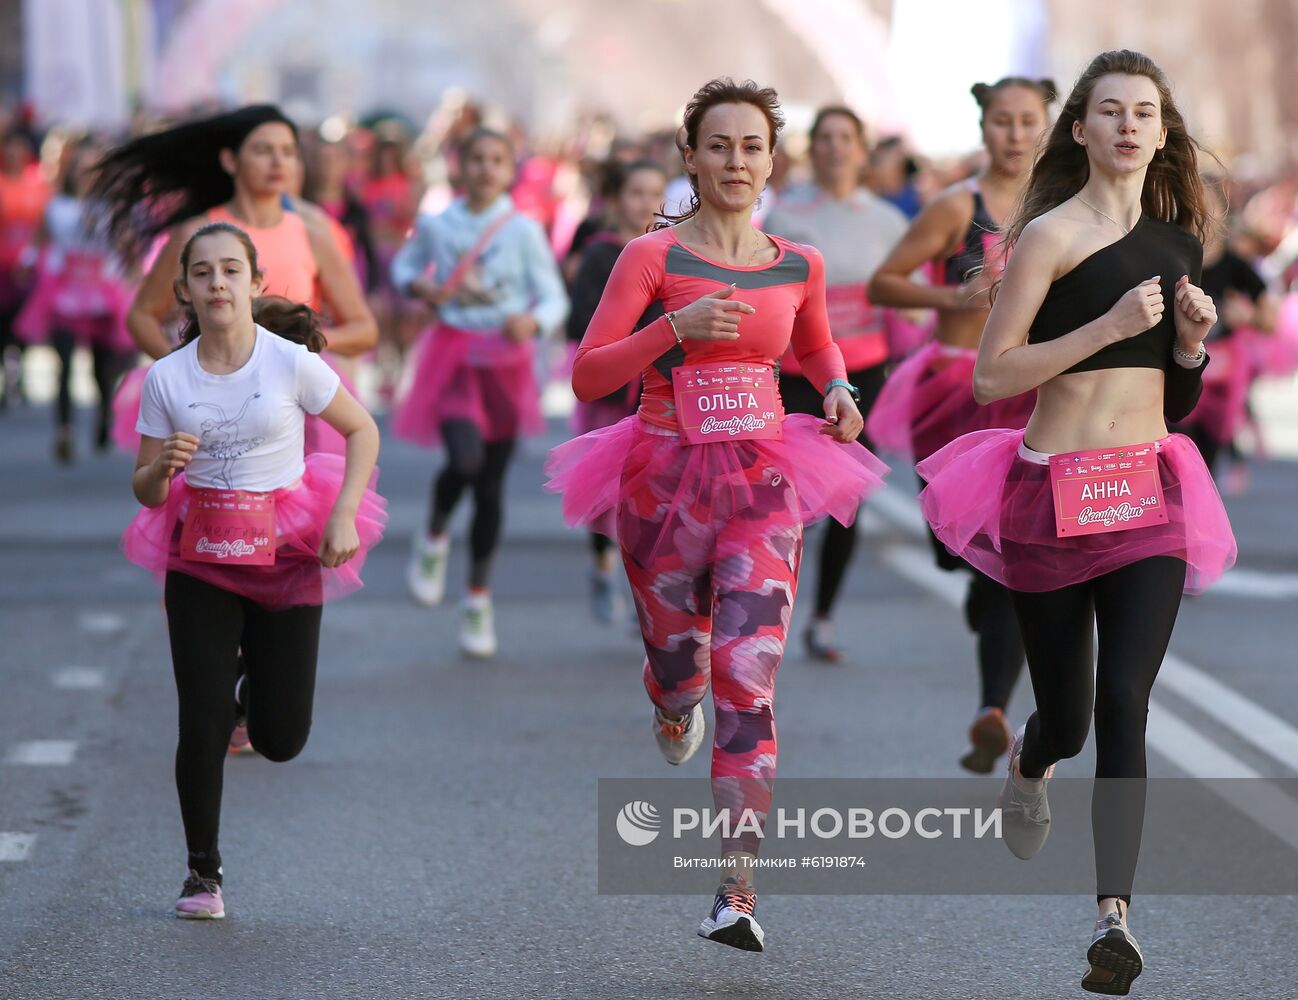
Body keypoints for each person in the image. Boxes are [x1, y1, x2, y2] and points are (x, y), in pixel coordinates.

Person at [916, 50, 1236, 994]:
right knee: (1067, 720)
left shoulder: (1180, 244)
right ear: (1083, 131)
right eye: (1111, 111)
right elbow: (991, 376)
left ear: (1163, 130)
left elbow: (1173, 405)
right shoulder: (1047, 239)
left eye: (1146, 111)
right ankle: (1031, 757)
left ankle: (1114, 920)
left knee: (1125, 701)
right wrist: (1100, 330)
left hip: (1145, 490)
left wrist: (1190, 346)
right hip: (1052, 493)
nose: (1130, 125)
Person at [545, 78, 886, 952]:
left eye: (753, 146)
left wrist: (840, 389)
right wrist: (675, 326)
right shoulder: (648, 259)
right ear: (690, 158)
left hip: (765, 481)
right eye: (720, 145)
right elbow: (588, 376)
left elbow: (812, 343)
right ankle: (668, 700)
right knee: (681, 666)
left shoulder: (797, 262)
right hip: (660, 480)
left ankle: (736, 889)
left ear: (774, 161)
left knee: (747, 676)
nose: (737, 161)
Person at [120, 222, 385, 919]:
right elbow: (144, 488)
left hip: (286, 549)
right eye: (203, 273)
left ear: (254, 283)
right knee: (200, 723)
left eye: (231, 270)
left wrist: (344, 515)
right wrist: (161, 468)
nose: (217, 284)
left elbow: (364, 430)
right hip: (201, 556)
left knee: (281, 739)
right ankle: (201, 875)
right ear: (184, 289)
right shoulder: (166, 377)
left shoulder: (289, 362)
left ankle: (247, 697)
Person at [868, 77, 1055, 771]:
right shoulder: (957, 207)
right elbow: (885, 281)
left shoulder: (1063, 208)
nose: (1013, 134)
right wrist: (955, 293)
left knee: (1007, 558)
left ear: (1049, 126)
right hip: (952, 391)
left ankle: (992, 710)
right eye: (1001, 122)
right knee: (960, 552)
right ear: (984, 127)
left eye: (1027, 121)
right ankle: (977, 592)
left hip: (1028, 391)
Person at [96, 104, 378, 457]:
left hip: (293, 404)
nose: (278, 162)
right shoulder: (196, 232)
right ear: (230, 161)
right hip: (215, 403)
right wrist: (185, 368)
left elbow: (364, 329)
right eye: (263, 150)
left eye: (288, 152)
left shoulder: (315, 234)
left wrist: (302, 344)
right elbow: (142, 315)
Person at [392, 127, 568, 659]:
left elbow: (553, 296)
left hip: (506, 363)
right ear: (458, 166)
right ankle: (435, 535)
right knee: (464, 460)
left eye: (497, 160)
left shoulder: (522, 229)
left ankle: (477, 600)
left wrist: (532, 323)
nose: (486, 169)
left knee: (491, 483)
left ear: (509, 169)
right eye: (477, 159)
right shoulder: (437, 224)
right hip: (452, 355)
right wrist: (417, 285)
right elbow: (403, 266)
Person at [762, 105, 908, 661]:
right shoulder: (785, 211)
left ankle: (822, 617)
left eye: (845, 137)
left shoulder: (887, 219)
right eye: (824, 137)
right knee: (783, 497)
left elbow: (904, 290)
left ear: (862, 148)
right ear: (811, 147)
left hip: (863, 370)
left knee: (849, 498)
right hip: (797, 370)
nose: (835, 147)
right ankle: (766, 604)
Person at [564, 159, 667, 623]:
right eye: (636, 193)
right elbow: (578, 321)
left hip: (660, 392)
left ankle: (644, 591)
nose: (646, 204)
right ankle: (604, 565)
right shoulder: (601, 253)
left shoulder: (673, 252)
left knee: (649, 494)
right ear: (616, 200)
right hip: (611, 393)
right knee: (606, 489)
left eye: (655, 194)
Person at [15, 137, 134, 461]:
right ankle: (65, 430)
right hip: (63, 289)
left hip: (100, 288)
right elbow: (39, 241)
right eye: (81, 167)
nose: (86, 174)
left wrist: (106, 231)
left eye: (92, 168)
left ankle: (104, 413)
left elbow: (124, 249)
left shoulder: (111, 208)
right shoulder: (56, 205)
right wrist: (27, 262)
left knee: (101, 367)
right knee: (63, 362)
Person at [1174, 177, 1276, 478]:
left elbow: (1269, 321)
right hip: (1181, 370)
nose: (1201, 215)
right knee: (1179, 455)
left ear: (1222, 211)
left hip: (1221, 377)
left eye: (1208, 207)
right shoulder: (1174, 260)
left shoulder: (1236, 266)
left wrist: (1248, 317)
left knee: (1205, 462)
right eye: (1193, 207)